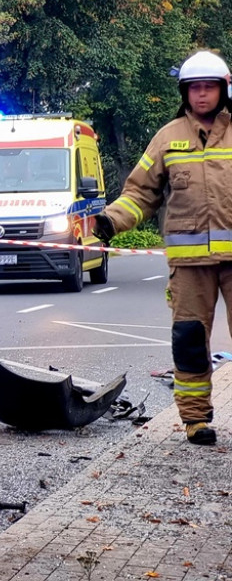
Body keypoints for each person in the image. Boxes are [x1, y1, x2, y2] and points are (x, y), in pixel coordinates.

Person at [92, 49, 232, 446]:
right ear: (184, 93)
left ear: (223, 91)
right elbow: (140, 193)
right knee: (189, 341)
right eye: (194, 89)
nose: (201, 96)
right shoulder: (167, 138)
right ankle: (195, 420)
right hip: (189, 267)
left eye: (209, 88)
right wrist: (110, 221)